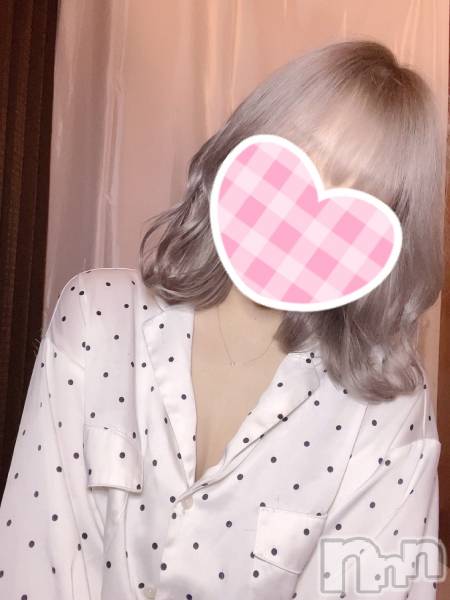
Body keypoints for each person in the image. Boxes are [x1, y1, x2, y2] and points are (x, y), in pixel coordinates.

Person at [0, 39, 445, 599]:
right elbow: (34, 557)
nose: (308, 220)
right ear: (241, 149)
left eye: (359, 201)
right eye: (298, 160)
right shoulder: (97, 314)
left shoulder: (388, 405)